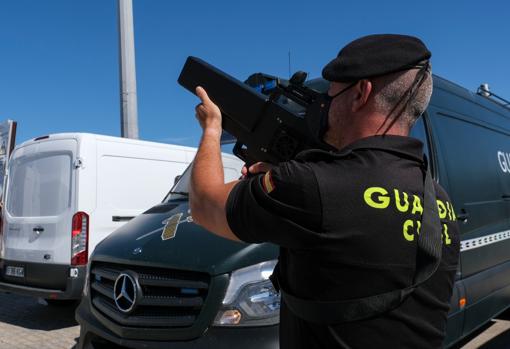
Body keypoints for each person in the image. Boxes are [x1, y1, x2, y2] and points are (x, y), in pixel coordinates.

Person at [189, 34, 460, 348]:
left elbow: (204, 204)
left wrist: (212, 128)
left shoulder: (313, 186)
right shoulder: (440, 201)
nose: (324, 104)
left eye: (331, 94)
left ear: (360, 93)